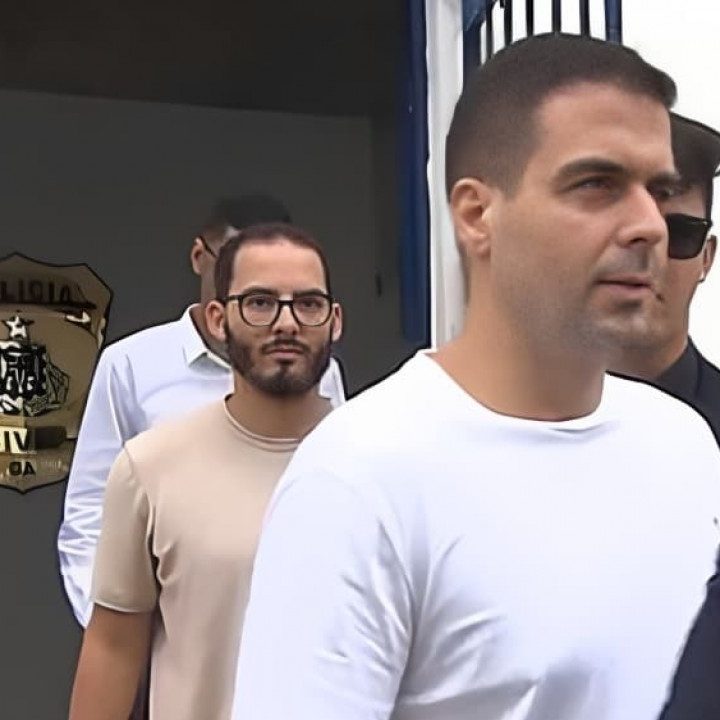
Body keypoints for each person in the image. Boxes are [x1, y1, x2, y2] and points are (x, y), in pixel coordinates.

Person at [229, 34, 720, 720]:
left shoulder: (687, 445)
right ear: (476, 215)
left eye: (659, 191)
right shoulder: (360, 477)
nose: (650, 226)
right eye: (597, 185)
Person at [68, 222, 343, 720]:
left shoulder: (387, 464)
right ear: (218, 318)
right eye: (259, 302)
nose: (286, 323)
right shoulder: (151, 468)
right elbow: (113, 648)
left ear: (335, 321)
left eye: (308, 304)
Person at [610, 113, 720, 442]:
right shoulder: (499, 418)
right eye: (622, 231)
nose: (649, 252)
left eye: (678, 233)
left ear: (706, 257)